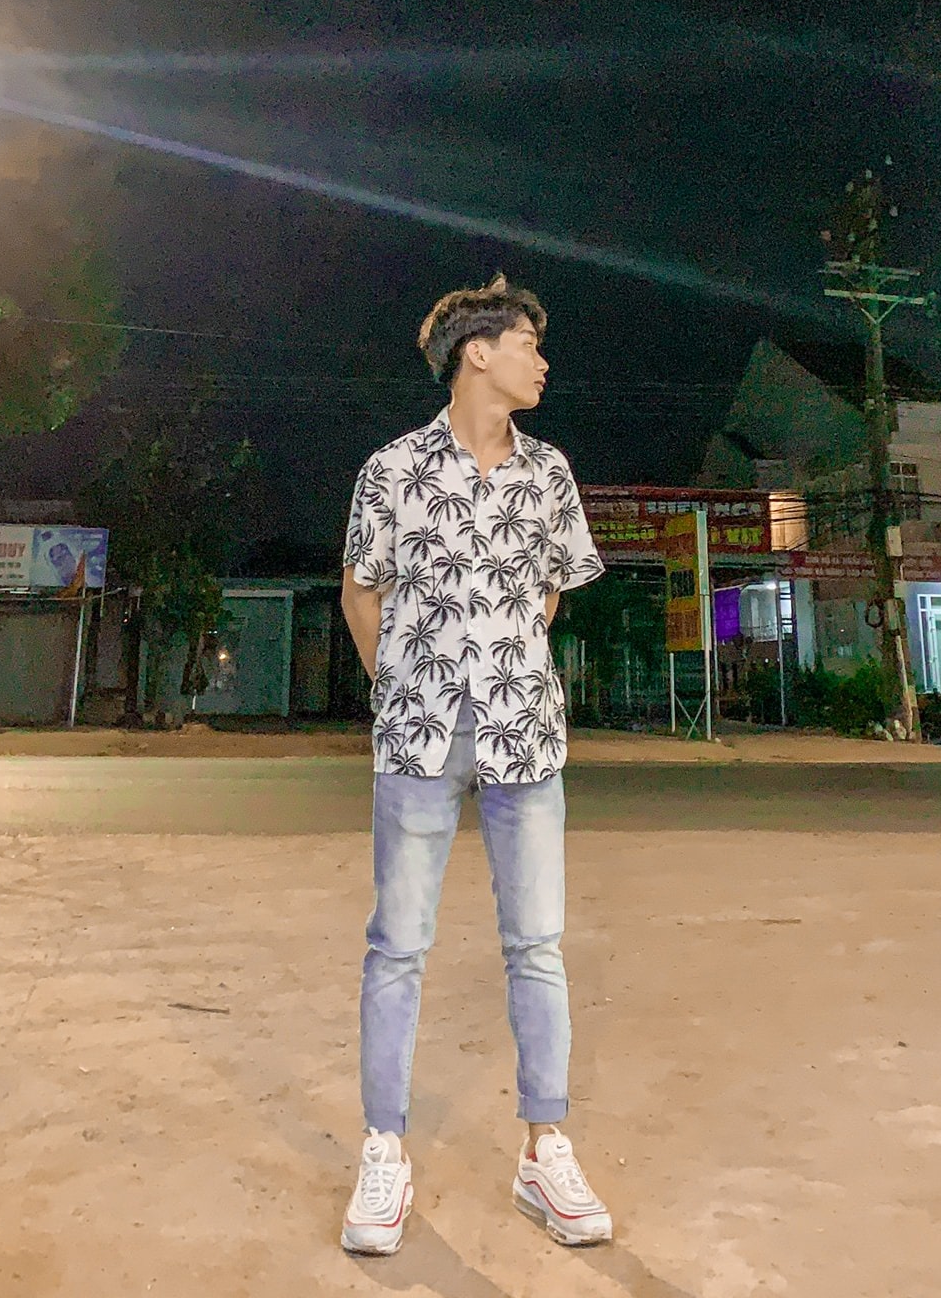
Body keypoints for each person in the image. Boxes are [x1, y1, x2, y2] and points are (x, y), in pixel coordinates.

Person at [338, 274, 613, 1255]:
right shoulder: (393, 469)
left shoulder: (550, 473)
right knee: (397, 946)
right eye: (528, 344)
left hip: (523, 736)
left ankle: (546, 1151)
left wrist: (508, 667)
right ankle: (384, 1152)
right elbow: (362, 590)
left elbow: (550, 591)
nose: (543, 361)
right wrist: (400, 685)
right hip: (418, 738)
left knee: (536, 944)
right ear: (477, 353)